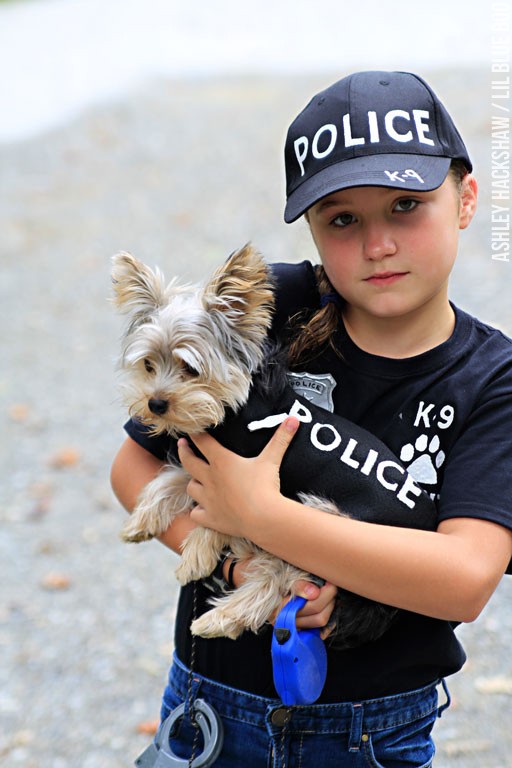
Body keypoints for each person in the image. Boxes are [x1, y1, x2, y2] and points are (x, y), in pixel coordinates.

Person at [111, 70, 512, 767]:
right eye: (343, 219)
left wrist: (262, 516)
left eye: (406, 205)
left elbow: (466, 578)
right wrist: (244, 574)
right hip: (209, 699)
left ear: (468, 197)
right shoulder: (275, 307)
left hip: (374, 727)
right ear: (312, 228)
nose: (378, 243)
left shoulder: (493, 380)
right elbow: (136, 465)